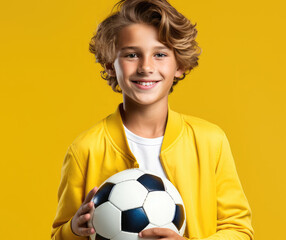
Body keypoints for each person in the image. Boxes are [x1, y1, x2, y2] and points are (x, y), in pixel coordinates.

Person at [51, 0, 254, 239]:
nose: (146, 67)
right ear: (110, 65)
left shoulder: (210, 142)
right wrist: (74, 229)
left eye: (159, 54)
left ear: (179, 65)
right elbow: (59, 234)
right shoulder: (85, 149)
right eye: (131, 54)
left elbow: (239, 230)